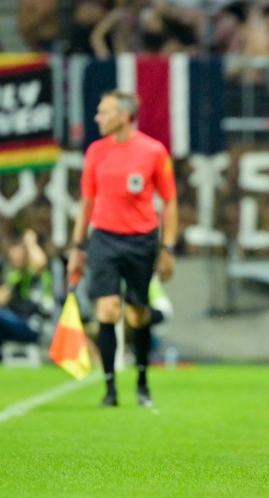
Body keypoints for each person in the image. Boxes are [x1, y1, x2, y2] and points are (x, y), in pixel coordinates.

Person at [68, 89, 178, 408]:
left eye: (104, 112)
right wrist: (78, 246)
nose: (97, 118)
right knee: (108, 309)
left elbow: (169, 201)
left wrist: (167, 247)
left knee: (137, 312)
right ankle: (110, 389)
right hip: (103, 237)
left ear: (124, 115)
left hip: (141, 239)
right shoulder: (95, 152)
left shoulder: (153, 151)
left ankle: (142, 382)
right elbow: (87, 202)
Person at [0, 230, 53, 362]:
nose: (16, 258)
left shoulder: (33, 272)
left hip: (31, 324)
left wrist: (30, 243)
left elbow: (41, 262)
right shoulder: (14, 275)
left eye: (19, 254)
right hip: (15, 322)